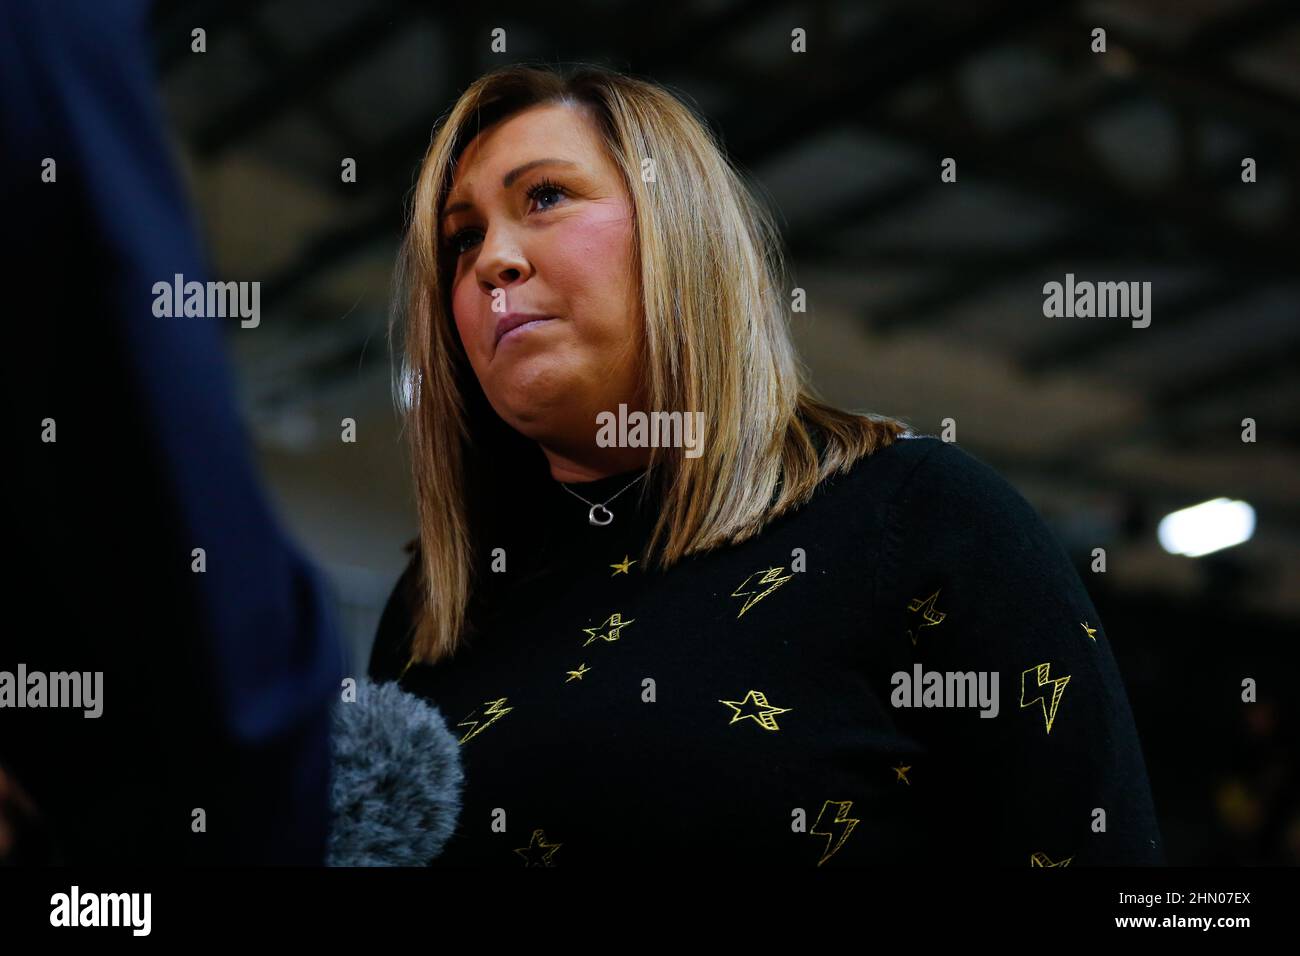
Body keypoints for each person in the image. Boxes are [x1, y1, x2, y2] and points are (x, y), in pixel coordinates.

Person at [369, 63, 1163, 866]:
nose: (490, 260)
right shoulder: (434, 607)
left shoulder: (919, 518)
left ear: (681, 229)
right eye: (461, 236)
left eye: (544, 197)